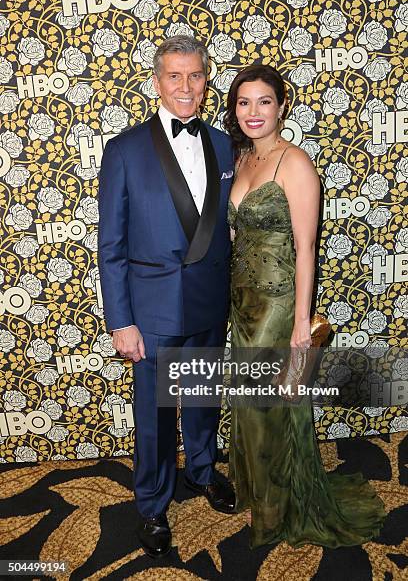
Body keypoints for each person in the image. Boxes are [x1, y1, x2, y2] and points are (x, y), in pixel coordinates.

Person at [224, 64, 386, 548]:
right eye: (243, 102)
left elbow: (306, 247)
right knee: (250, 404)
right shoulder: (242, 159)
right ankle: (260, 491)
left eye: (264, 102)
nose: (253, 112)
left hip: (277, 306)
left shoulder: (294, 164)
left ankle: (280, 507)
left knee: (273, 404)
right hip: (242, 303)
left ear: (282, 107)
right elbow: (236, 235)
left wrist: (300, 323)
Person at [97, 35, 236, 559]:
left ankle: (202, 471)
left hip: (207, 301)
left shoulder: (224, 145)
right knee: (155, 416)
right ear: (156, 82)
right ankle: (152, 505)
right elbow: (110, 243)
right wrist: (120, 320)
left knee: (202, 400)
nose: (185, 86)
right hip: (150, 311)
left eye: (195, 75)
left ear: (206, 81)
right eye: (174, 76)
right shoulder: (124, 149)